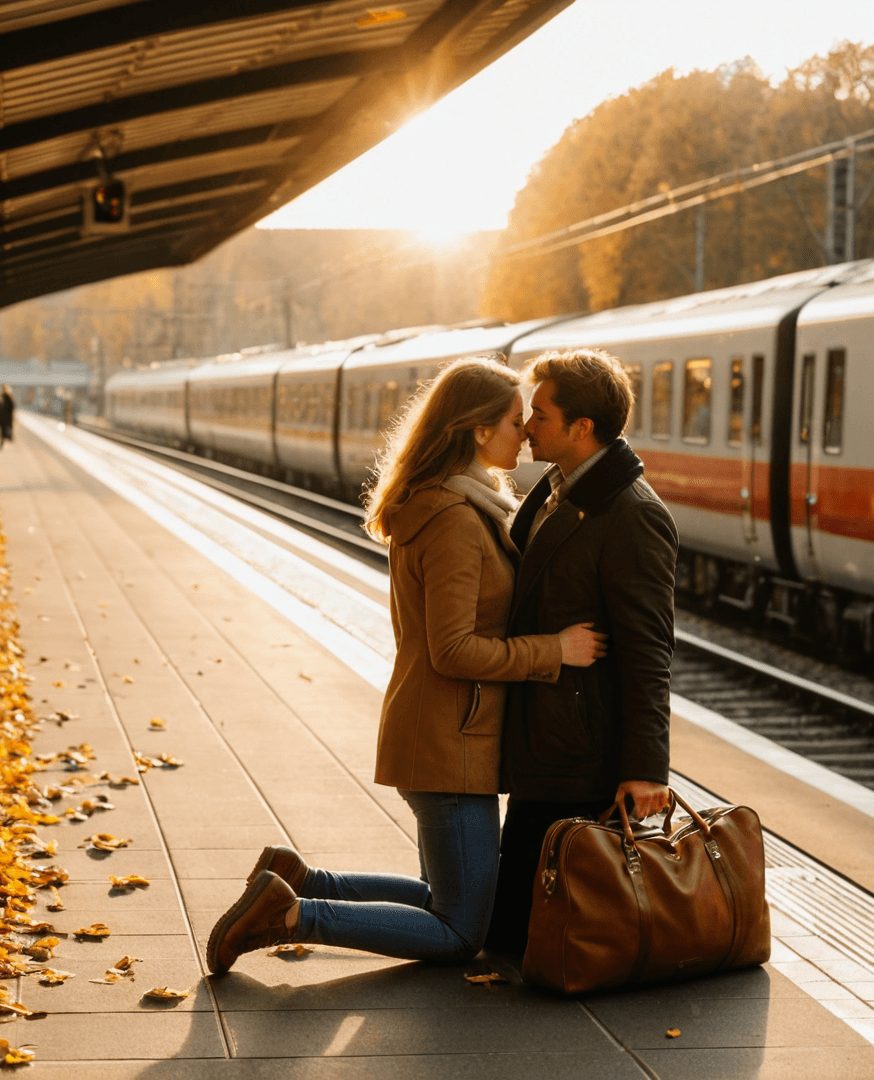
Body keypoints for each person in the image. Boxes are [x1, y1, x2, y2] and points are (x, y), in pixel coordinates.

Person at [205, 357, 607, 974]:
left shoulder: (461, 503)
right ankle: (289, 914)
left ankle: (300, 879)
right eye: (510, 420)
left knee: (442, 899)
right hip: (450, 742)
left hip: (448, 733)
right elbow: (453, 648)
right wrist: (552, 650)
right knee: (459, 929)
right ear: (476, 430)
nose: (524, 432)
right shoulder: (452, 519)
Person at [485, 347, 678, 959]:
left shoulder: (632, 514)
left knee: (518, 923)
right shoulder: (558, 488)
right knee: (510, 920)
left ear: (581, 427)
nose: (526, 425)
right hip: (547, 735)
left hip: (579, 749)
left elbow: (649, 650)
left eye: (539, 414)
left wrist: (647, 768)